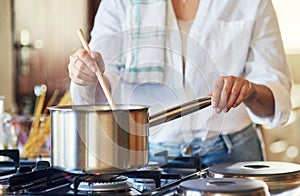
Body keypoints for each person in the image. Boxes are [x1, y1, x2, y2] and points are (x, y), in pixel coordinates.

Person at [68, 0, 292, 168]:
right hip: (147, 156)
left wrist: (249, 91)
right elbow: (98, 88)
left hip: (232, 154)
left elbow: (276, 93)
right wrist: (84, 75)